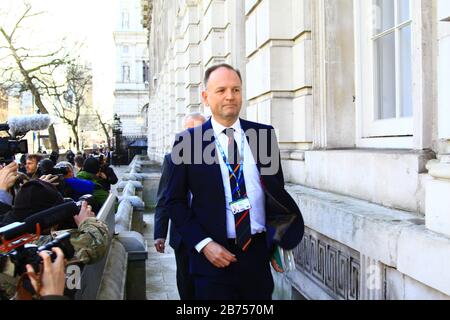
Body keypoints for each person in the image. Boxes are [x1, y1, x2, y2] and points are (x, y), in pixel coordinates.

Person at [165, 64, 304, 300]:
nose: (230, 96)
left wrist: (274, 243)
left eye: (236, 90)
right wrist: (204, 244)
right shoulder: (187, 142)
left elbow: (275, 194)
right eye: (221, 90)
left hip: (257, 257)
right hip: (212, 259)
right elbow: (174, 202)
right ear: (206, 97)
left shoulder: (264, 137)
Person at [154, 112, 206, 300]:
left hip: (210, 232)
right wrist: (160, 232)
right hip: (182, 236)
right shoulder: (172, 159)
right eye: (188, 131)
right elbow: (163, 198)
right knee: (186, 283)